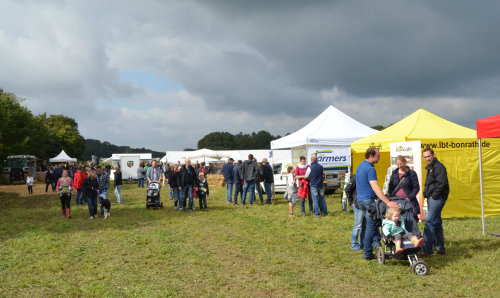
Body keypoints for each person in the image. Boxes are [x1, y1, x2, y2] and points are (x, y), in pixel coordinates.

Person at [356, 147, 399, 260]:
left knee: (369, 225)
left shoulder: (360, 166)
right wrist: (388, 202)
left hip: (361, 201)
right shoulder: (370, 169)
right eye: (378, 155)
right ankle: (367, 253)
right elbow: (375, 187)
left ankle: (376, 245)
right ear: (371, 156)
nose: (379, 157)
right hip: (368, 201)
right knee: (371, 227)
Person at [421, 148, 449, 256]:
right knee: (437, 223)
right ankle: (440, 249)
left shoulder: (439, 167)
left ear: (433, 155)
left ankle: (427, 250)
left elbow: (442, 183)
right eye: (425, 157)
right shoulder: (431, 167)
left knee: (429, 222)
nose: (427, 159)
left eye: (428, 156)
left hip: (437, 198)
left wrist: (434, 196)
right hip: (433, 198)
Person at [388, 155, 421, 237]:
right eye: (398, 164)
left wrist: (410, 198)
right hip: (396, 202)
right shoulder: (394, 173)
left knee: (410, 221)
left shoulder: (411, 174)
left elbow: (416, 187)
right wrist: (390, 199)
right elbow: (390, 187)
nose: (400, 166)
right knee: (397, 222)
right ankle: (398, 240)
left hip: (408, 202)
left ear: (405, 162)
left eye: (401, 164)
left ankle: (414, 239)